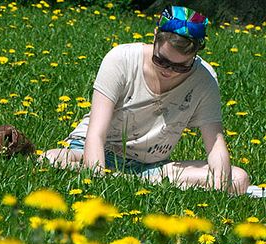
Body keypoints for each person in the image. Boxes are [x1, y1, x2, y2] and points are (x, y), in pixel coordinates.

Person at [42, 6, 251, 195]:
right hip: (92, 151)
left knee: (238, 179)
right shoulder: (121, 59)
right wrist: (96, 182)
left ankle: (129, 180)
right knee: (50, 159)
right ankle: (127, 181)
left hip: (149, 166)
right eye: (161, 60)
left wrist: (219, 190)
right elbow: (96, 134)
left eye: (181, 67)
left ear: (196, 54)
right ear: (154, 37)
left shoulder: (204, 79)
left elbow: (215, 144)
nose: (169, 71)